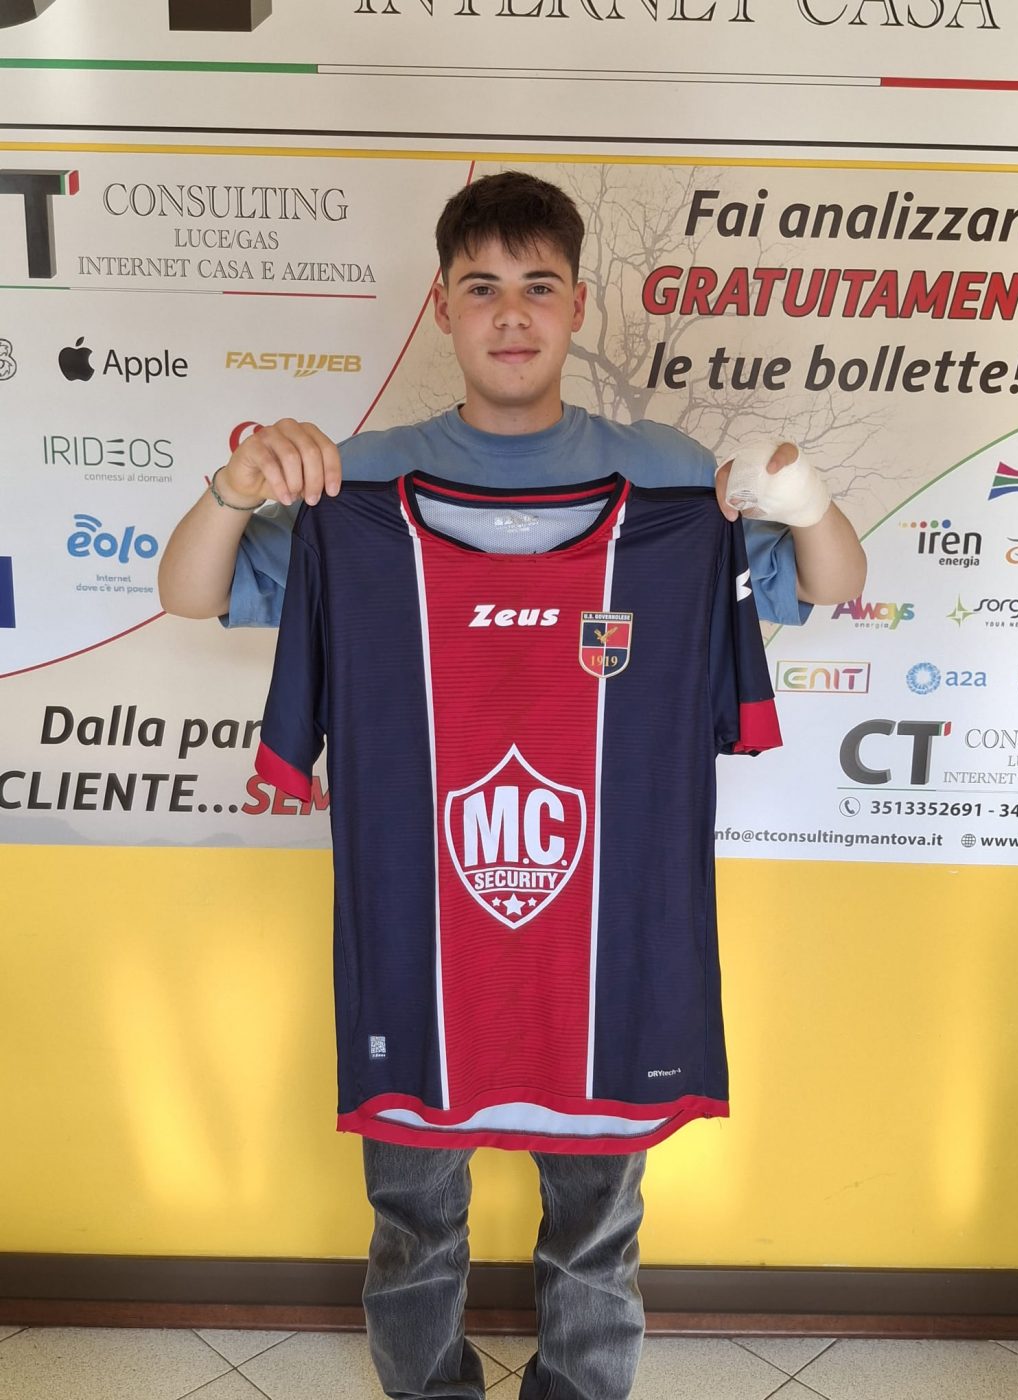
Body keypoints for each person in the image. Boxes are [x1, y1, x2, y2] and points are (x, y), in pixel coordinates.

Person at [158, 171, 866, 1400]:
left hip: (606, 940)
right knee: (413, 1212)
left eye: (538, 285)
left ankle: (581, 1387)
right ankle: (424, 1385)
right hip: (419, 933)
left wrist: (801, 495)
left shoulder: (670, 487)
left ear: (578, 304)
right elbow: (190, 590)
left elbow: (831, 581)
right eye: (482, 287)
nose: (512, 312)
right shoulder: (355, 491)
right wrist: (236, 486)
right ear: (442, 306)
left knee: (598, 1219)